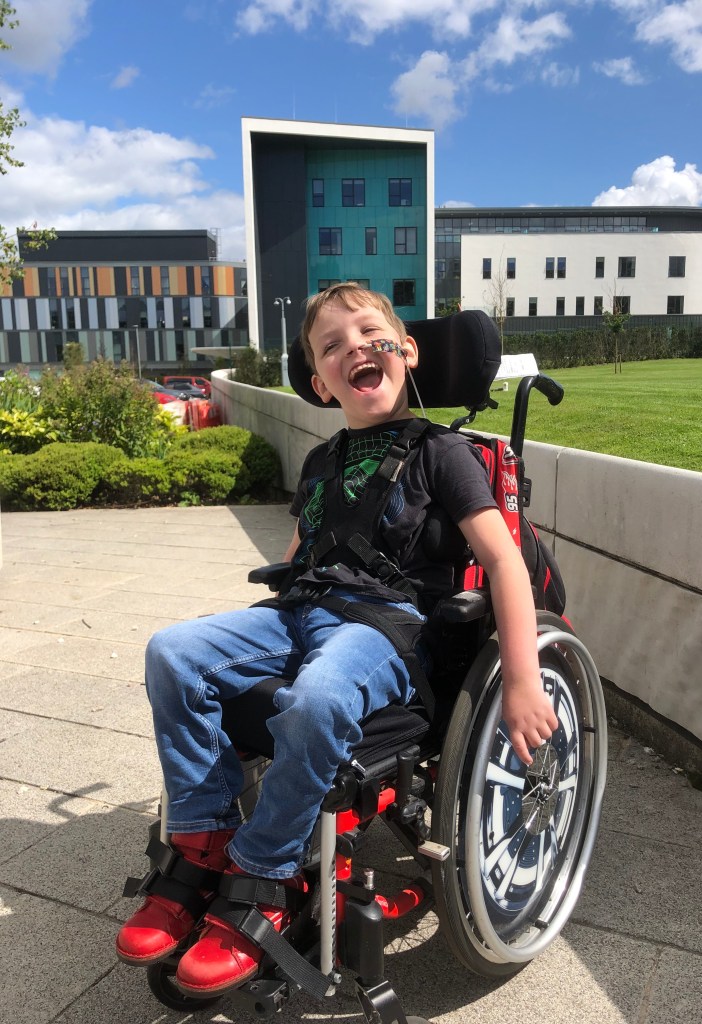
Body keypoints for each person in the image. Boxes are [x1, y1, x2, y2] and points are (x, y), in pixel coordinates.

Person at [116, 283, 558, 997]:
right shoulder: (322, 463)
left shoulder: (441, 452)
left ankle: (265, 873)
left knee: (318, 695)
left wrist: (521, 678)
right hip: (303, 609)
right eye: (331, 346)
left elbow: (505, 559)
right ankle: (203, 846)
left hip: (387, 627)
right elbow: (298, 557)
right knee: (172, 651)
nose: (353, 346)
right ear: (321, 384)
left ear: (405, 351)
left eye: (368, 332)